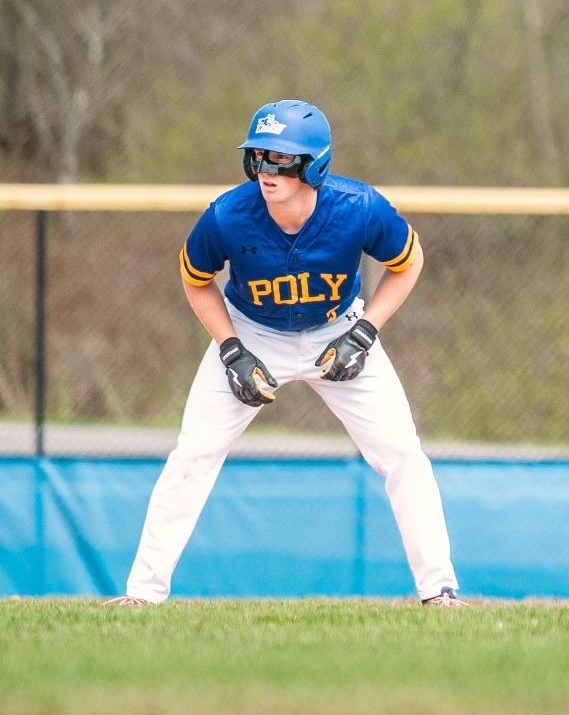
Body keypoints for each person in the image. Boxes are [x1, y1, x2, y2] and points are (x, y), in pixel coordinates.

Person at [105, 99, 466, 607]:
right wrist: (230, 348)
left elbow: (409, 262)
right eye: (258, 157)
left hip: (337, 328)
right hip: (252, 332)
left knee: (403, 454)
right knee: (193, 454)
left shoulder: (358, 208)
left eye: (281, 159)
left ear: (314, 166)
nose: (266, 170)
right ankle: (142, 595)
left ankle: (440, 592)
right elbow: (197, 282)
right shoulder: (228, 215)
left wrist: (365, 331)